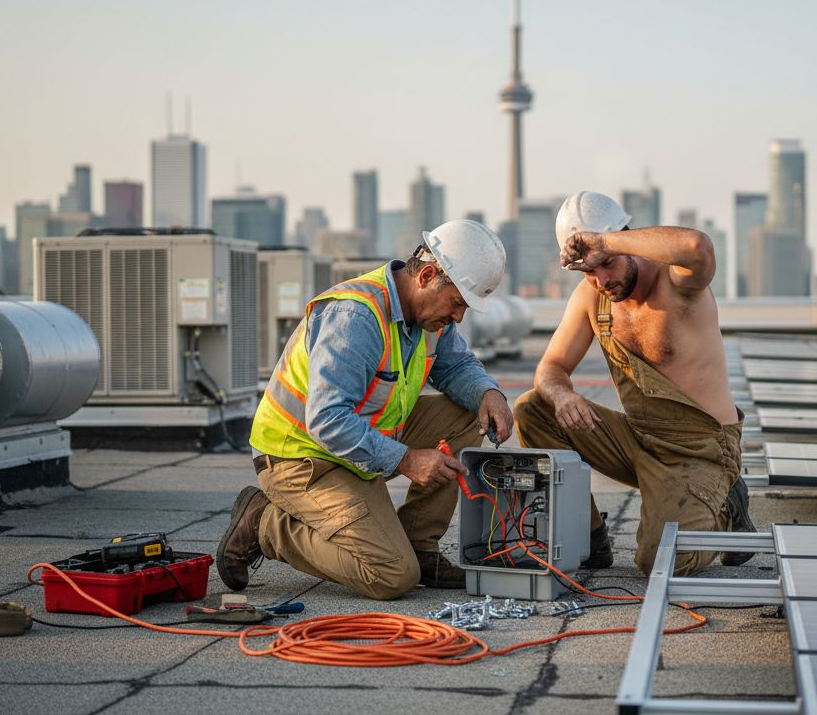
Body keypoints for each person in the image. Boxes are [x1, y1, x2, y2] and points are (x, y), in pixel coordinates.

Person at [216, 219, 515, 599]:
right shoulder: (356, 318)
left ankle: (419, 546)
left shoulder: (428, 318)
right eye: (458, 303)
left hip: (357, 447)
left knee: (468, 411)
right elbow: (327, 420)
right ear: (426, 275)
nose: (458, 317)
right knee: (391, 575)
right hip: (301, 458)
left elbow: (456, 366)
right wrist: (406, 460)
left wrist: (489, 394)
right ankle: (265, 523)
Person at [514, 191, 754, 576]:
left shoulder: (678, 283)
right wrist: (561, 395)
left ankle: (725, 504)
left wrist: (604, 242)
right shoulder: (592, 296)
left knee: (661, 562)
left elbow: (698, 246)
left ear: (626, 239)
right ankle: (587, 534)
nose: (601, 279)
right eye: (589, 271)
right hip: (640, 441)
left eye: (607, 264)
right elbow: (551, 366)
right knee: (533, 408)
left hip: (700, 451)